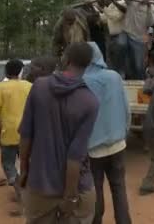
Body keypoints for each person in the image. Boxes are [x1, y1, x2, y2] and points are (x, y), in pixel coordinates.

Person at [19, 42, 99, 224]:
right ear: (88, 65)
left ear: (65, 59)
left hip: (40, 185)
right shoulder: (90, 101)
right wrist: (70, 197)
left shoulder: (39, 87)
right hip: (79, 188)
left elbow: (25, 135)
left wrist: (24, 170)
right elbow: (75, 155)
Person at [83, 42, 132, 224]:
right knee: (119, 189)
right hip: (117, 145)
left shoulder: (81, 81)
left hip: (92, 149)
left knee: (95, 190)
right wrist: (123, 133)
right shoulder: (114, 77)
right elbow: (127, 109)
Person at [0, 59, 32, 215]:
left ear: (6, 72)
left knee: (8, 163)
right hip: (27, 133)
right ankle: (26, 193)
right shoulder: (29, 86)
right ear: (21, 71)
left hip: (8, 133)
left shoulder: (1, 88)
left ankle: (18, 190)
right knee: (26, 163)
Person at [123, 0, 154, 79]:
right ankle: (126, 80)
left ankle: (140, 84)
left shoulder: (152, 6)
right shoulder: (132, 0)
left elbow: (150, 23)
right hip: (127, 34)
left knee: (138, 65)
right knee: (126, 62)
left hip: (139, 39)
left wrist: (149, 6)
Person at [99, 0, 128, 77]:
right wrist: (95, 7)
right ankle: (113, 77)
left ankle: (121, 77)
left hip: (121, 35)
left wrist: (103, 8)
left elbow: (115, 17)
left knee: (119, 59)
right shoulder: (110, 6)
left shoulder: (122, 4)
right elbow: (104, 19)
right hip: (111, 36)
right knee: (112, 59)